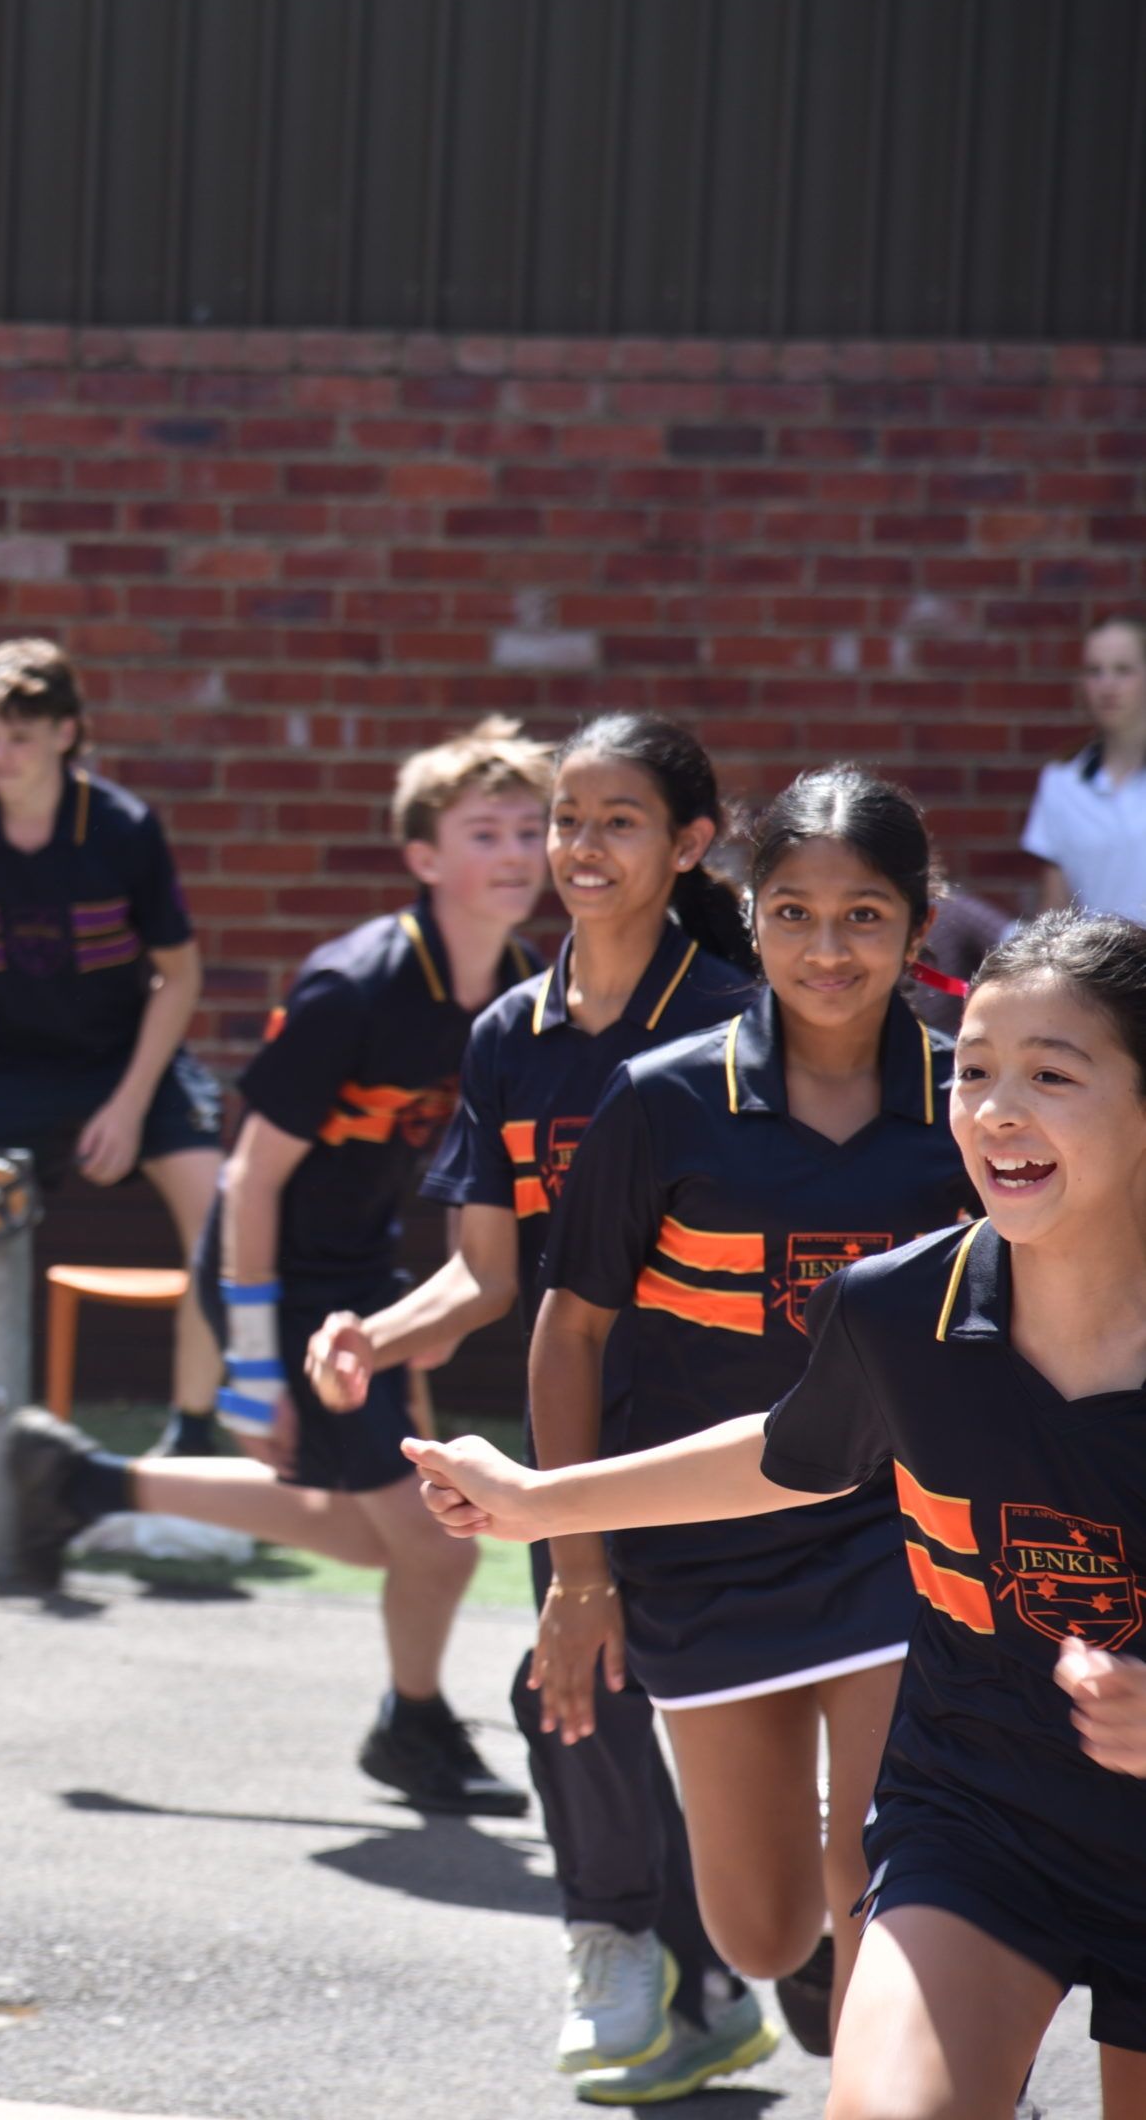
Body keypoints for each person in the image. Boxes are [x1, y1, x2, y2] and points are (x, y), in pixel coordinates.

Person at [411, 910, 1146, 2120]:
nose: (994, 1111)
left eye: (1049, 1077)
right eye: (971, 1072)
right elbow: (788, 1451)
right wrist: (540, 1503)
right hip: (978, 1817)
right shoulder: (898, 1308)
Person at [448, 766, 974, 2070]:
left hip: (899, 1539)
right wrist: (578, 1574)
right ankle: (830, 1947)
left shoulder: (972, 1105)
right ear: (749, 916)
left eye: (863, 916)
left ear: (917, 924)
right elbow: (569, 1333)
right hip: (697, 1550)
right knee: (758, 1928)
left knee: (887, 1862)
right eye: (792, 913)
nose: (826, 948)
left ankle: (911, 2052)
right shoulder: (660, 1098)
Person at [308, 714, 769, 2099]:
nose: (578, 846)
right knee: (571, 1682)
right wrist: (374, 1335)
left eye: (617, 821)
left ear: (688, 845)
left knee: (766, 1764)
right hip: (581, 1435)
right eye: (567, 818)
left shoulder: (743, 1016)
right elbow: (485, 1274)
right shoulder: (510, 1034)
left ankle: (755, 1981)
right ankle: (624, 1947)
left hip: (747, 1431)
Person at [8, 718, 549, 1813]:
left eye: (529, 830)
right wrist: (251, 1364)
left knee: (368, 1528)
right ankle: (411, 1728)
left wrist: (447, 1302)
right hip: (276, 1284)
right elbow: (248, 1180)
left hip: (362, 1283)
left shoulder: (518, 989)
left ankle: (83, 1484)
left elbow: (482, 1166)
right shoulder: (352, 988)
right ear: (423, 856)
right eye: (484, 832)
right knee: (436, 1541)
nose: (515, 853)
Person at [0, 639, 227, 1530]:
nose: (1, 755)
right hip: (10, 1066)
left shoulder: (122, 827)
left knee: (221, 1217)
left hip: (130, 1059)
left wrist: (128, 1105)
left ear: (68, 735)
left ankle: (192, 1447)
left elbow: (180, 977)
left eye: (22, 736)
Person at [1022, 616, 1146, 925]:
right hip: (1096, 955)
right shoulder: (1061, 781)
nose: (1108, 685)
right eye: (1095, 671)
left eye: (1123, 670)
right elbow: (1055, 912)